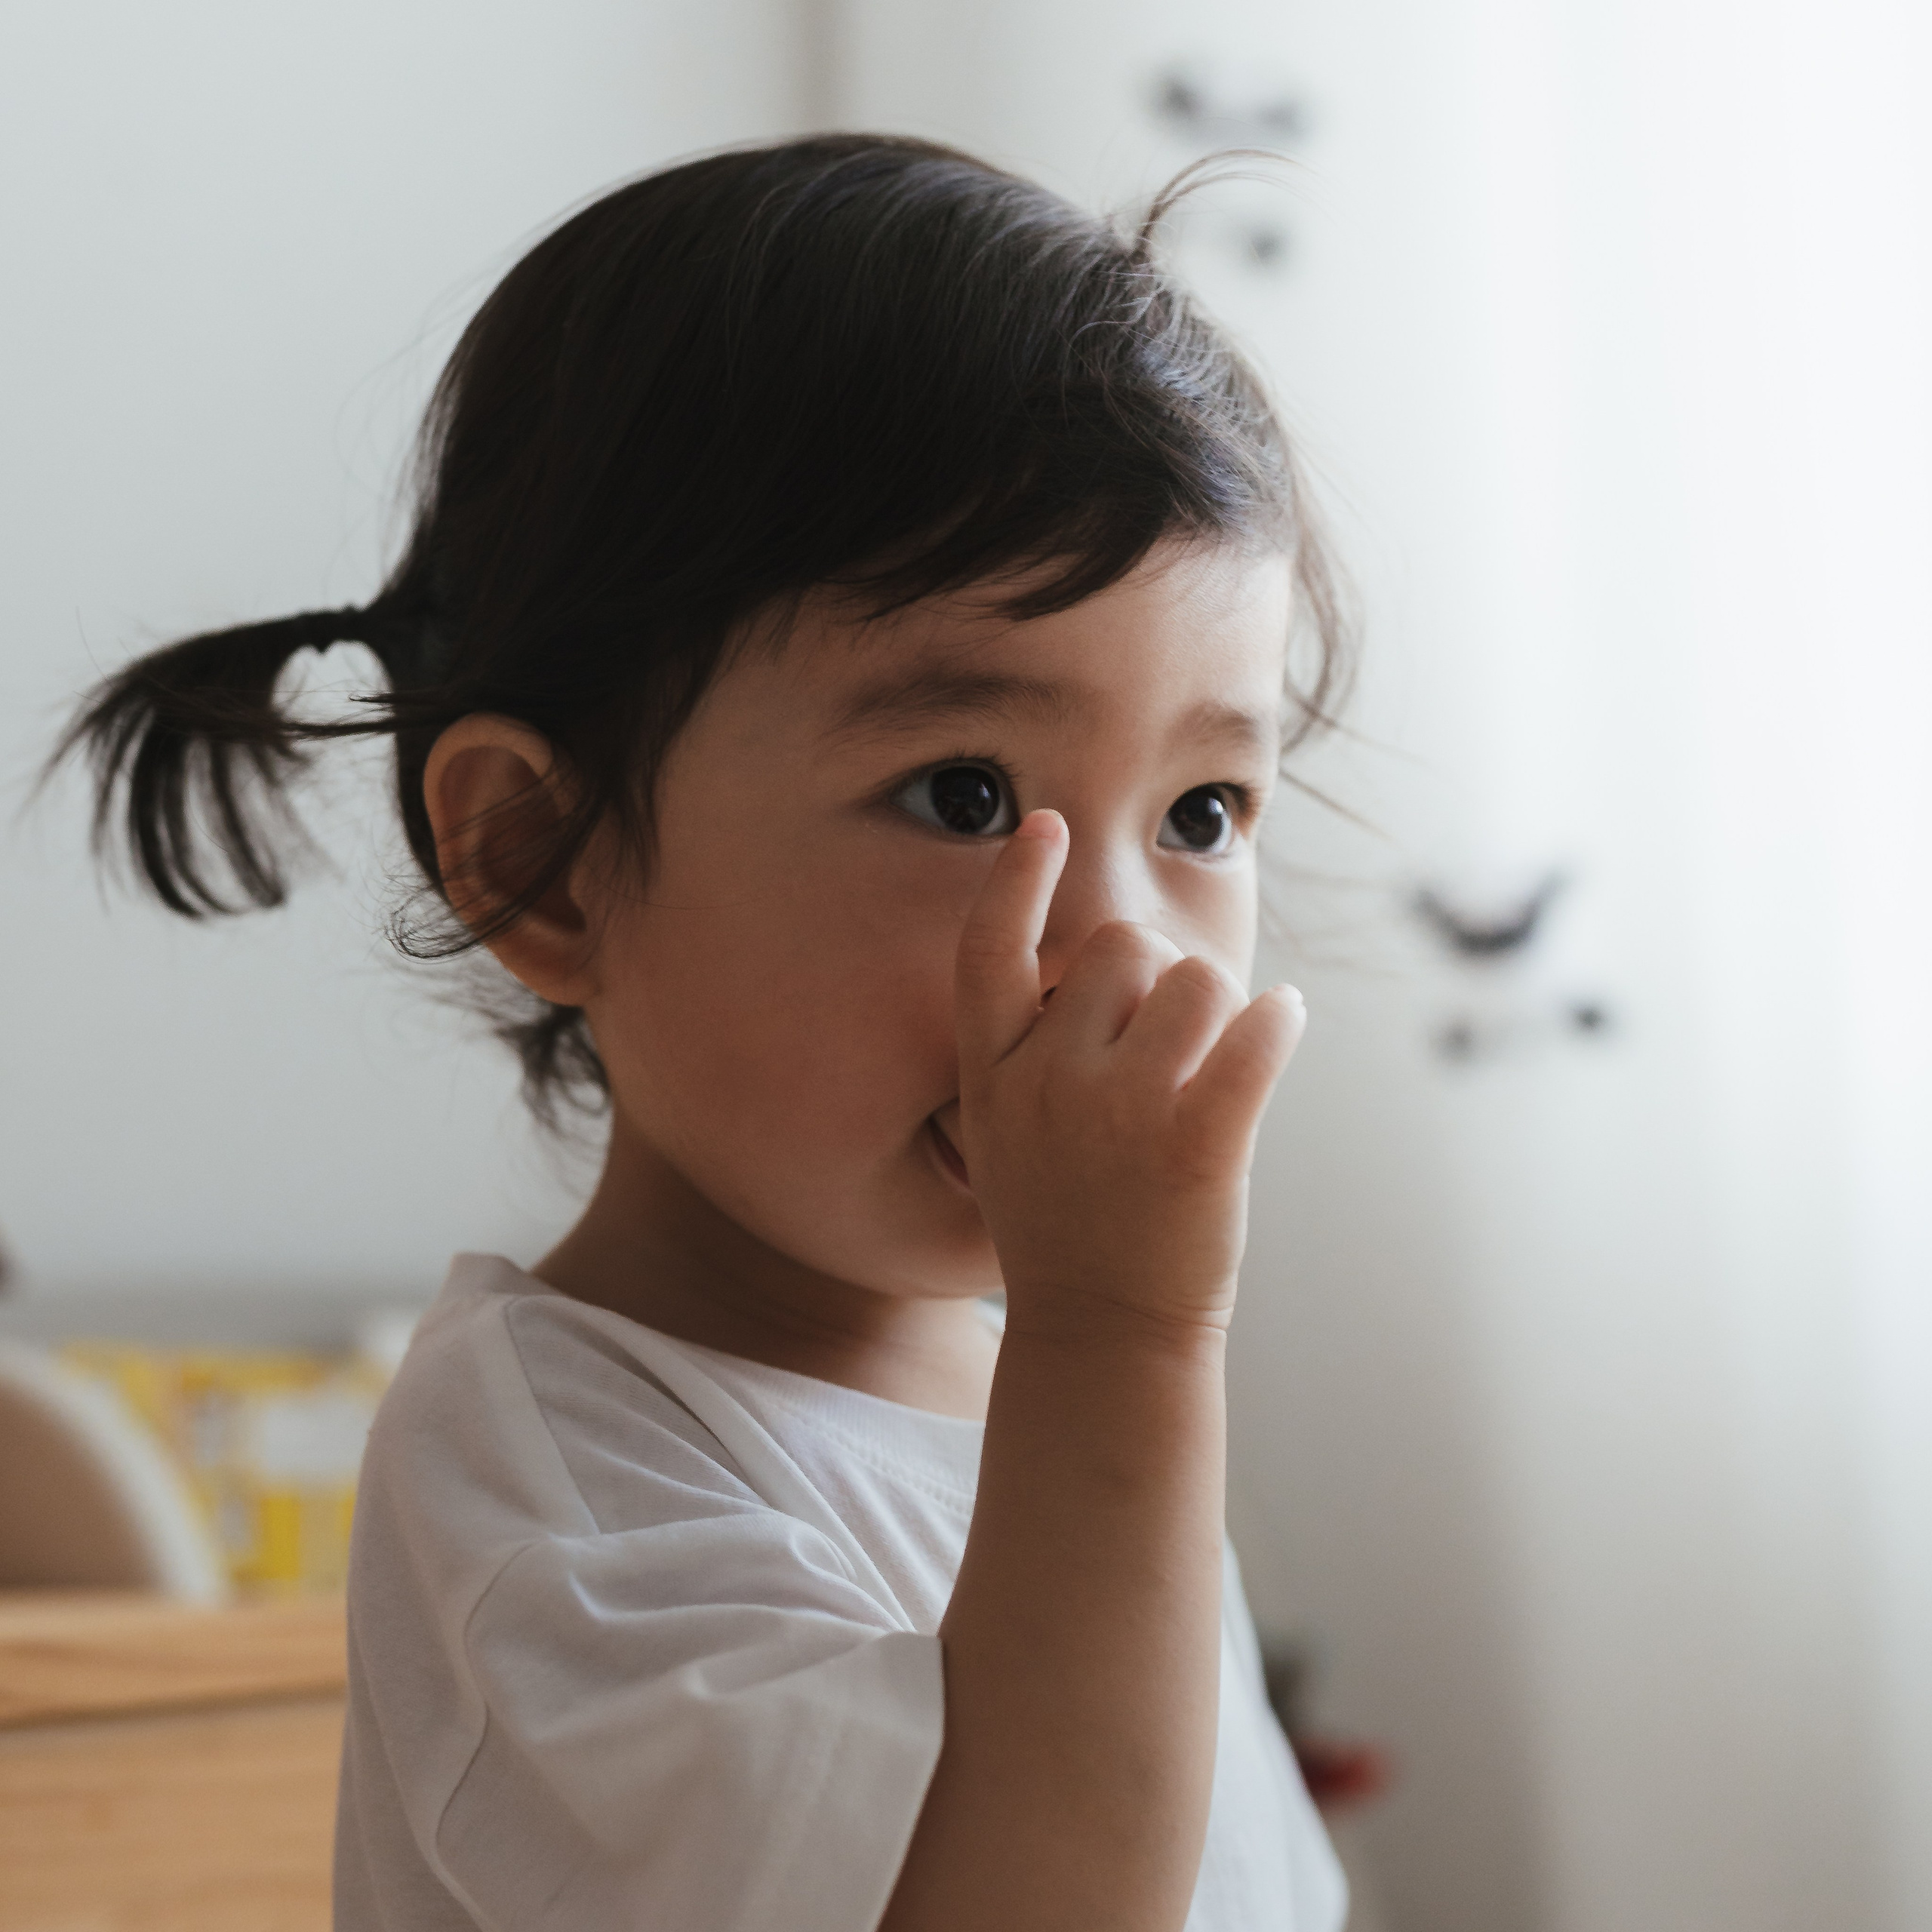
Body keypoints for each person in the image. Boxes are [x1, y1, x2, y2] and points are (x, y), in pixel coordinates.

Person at [57, 134, 1352, 1932]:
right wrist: (1127, 1336)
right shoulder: (555, 1485)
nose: (1111, 948)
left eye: (1201, 811)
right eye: (968, 791)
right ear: (545, 859)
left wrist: (1110, 1354)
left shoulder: (1058, 1391)